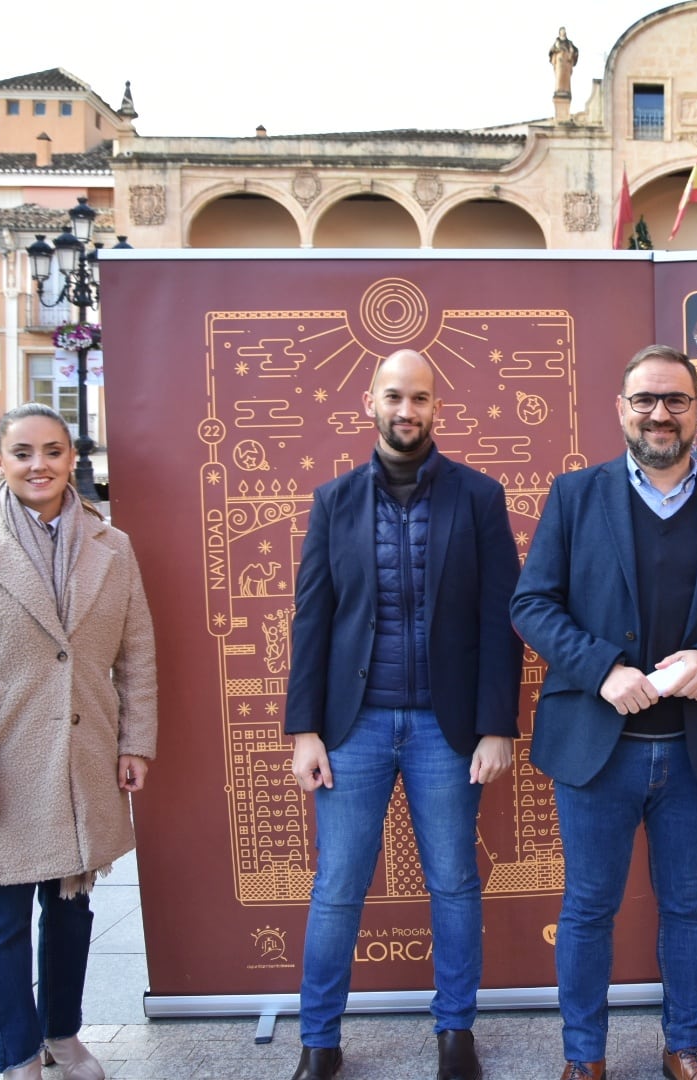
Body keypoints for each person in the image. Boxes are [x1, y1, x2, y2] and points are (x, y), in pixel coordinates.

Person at [512, 344, 697, 1080]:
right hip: (596, 750)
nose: (660, 414)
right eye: (645, 400)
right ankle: (584, 1058)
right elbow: (531, 604)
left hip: (692, 751)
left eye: (676, 400)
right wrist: (602, 669)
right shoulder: (575, 497)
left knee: (690, 906)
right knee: (589, 908)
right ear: (621, 410)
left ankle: (686, 1045)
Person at [285, 350, 521, 1080]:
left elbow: (499, 617)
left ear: (435, 407)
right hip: (351, 728)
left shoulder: (478, 498)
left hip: (445, 733)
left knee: (452, 881)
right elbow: (312, 619)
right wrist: (305, 731)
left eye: (419, 398)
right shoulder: (334, 501)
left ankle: (456, 1032)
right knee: (337, 888)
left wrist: (496, 725)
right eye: (394, 396)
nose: (407, 410)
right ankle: (319, 1041)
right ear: (370, 402)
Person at [0, 402, 158, 1080]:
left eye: (52, 451)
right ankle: (17, 1054)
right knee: (1, 920)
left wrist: (135, 742)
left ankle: (61, 1033)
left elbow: (137, 653)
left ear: (71, 461)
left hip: (83, 762)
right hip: (1, 763)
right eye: (23, 452)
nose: (39, 465)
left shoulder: (112, 547)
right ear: (1, 460)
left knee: (70, 909)